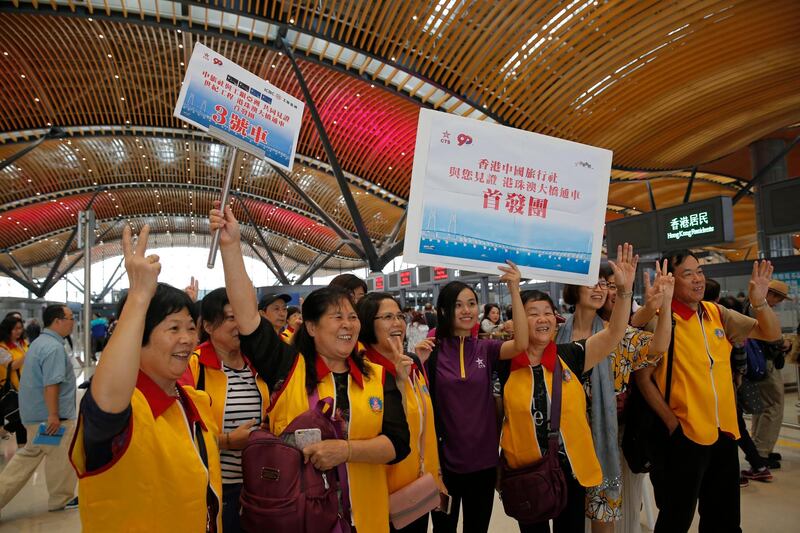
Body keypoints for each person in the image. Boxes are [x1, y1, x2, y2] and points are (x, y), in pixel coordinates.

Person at [211, 203, 410, 533]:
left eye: (352, 317)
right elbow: (248, 317)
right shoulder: (288, 367)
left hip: (366, 519)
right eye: (337, 317)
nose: (347, 325)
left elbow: (397, 444)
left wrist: (344, 450)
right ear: (313, 327)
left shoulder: (376, 376)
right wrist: (232, 247)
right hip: (298, 519)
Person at [69, 225, 222, 531]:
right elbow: (109, 399)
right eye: (173, 328)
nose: (187, 339)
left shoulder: (192, 401)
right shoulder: (124, 409)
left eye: (191, 327)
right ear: (139, 334)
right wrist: (139, 298)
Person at [635, 251, 781, 533]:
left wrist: (759, 301)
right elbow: (644, 378)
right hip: (683, 436)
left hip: (724, 434)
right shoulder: (660, 318)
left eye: (699, 271)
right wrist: (671, 423)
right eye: (688, 273)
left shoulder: (716, 313)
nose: (698, 279)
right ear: (670, 280)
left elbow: (771, 333)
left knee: (724, 520)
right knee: (676, 518)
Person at [500, 244, 638, 533]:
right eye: (532, 313)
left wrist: (624, 292)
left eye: (548, 313)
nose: (543, 319)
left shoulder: (571, 355)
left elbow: (613, 334)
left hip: (570, 469)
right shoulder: (504, 364)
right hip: (525, 472)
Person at [557, 260, 673, 533]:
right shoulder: (554, 332)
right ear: (574, 289)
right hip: (565, 441)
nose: (599, 289)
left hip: (603, 439)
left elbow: (657, 346)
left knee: (603, 513)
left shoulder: (616, 335)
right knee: (566, 514)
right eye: (591, 283)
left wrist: (664, 306)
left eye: (603, 284)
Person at [413, 261, 528, 533]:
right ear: (444, 310)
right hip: (443, 464)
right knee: (444, 530)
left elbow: (522, 343)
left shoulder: (486, 349)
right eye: (458, 305)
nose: (467, 310)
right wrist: (417, 360)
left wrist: (514, 289)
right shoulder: (432, 350)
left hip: (483, 462)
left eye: (472, 303)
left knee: (477, 528)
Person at [182, 287, 270, 533]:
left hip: (262, 485)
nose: (240, 324)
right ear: (208, 326)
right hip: (218, 487)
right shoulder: (193, 365)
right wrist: (227, 441)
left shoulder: (259, 363)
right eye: (232, 318)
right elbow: (180, 431)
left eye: (243, 316)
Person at [357, 292, 445, 533]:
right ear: (366, 324)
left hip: (417, 491)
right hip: (382, 498)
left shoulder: (411, 366)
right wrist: (397, 381)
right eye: (387, 317)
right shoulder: (364, 373)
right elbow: (391, 432)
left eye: (399, 315)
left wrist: (435, 474)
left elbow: (425, 427)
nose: (397, 323)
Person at [0, 304, 78, 513]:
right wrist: (54, 415)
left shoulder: (38, 343)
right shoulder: (52, 348)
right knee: (60, 457)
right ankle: (61, 499)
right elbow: (51, 384)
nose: (73, 322)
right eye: (71, 318)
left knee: (29, 456)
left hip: (35, 416)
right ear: (58, 321)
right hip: (52, 419)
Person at [747, 279, 791, 469]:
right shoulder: (759, 308)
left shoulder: (751, 306)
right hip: (766, 363)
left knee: (762, 407)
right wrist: (784, 344)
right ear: (771, 294)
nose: (779, 302)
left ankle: (759, 447)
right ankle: (762, 451)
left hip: (756, 364)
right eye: (779, 298)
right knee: (773, 405)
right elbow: (770, 337)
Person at [0, 315, 29, 446]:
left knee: (24, 416)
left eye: (20, 328)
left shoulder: (23, 343)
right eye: (15, 329)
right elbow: (11, 365)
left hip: (28, 385)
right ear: (8, 330)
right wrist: (27, 355)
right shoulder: (2, 347)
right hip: (13, 387)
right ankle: (20, 443)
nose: (19, 331)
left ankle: (21, 444)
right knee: (21, 416)